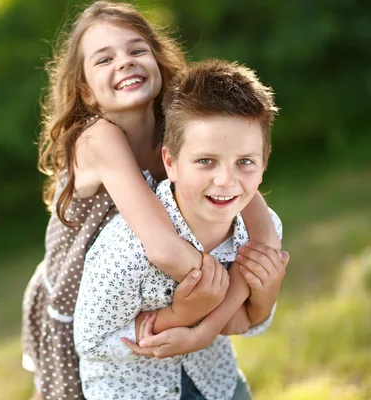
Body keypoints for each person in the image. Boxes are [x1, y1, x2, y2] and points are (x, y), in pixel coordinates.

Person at [21, 2, 281, 399]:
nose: (124, 62)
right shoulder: (97, 138)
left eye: (136, 50)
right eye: (105, 58)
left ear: (158, 62)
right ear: (86, 90)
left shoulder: (178, 126)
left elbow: (262, 233)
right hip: (85, 301)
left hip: (150, 287)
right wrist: (215, 314)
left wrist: (239, 291)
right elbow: (163, 249)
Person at [74, 59, 289, 400]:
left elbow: (245, 323)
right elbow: (90, 341)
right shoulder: (129, 248)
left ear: (263, 165)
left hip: (214, 383)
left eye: (244, 162)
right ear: (170, 163)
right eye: (206, 161)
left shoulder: (259, 231)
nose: (226, 180)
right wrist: (174, 319)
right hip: (135, 390)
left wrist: (266, 295)